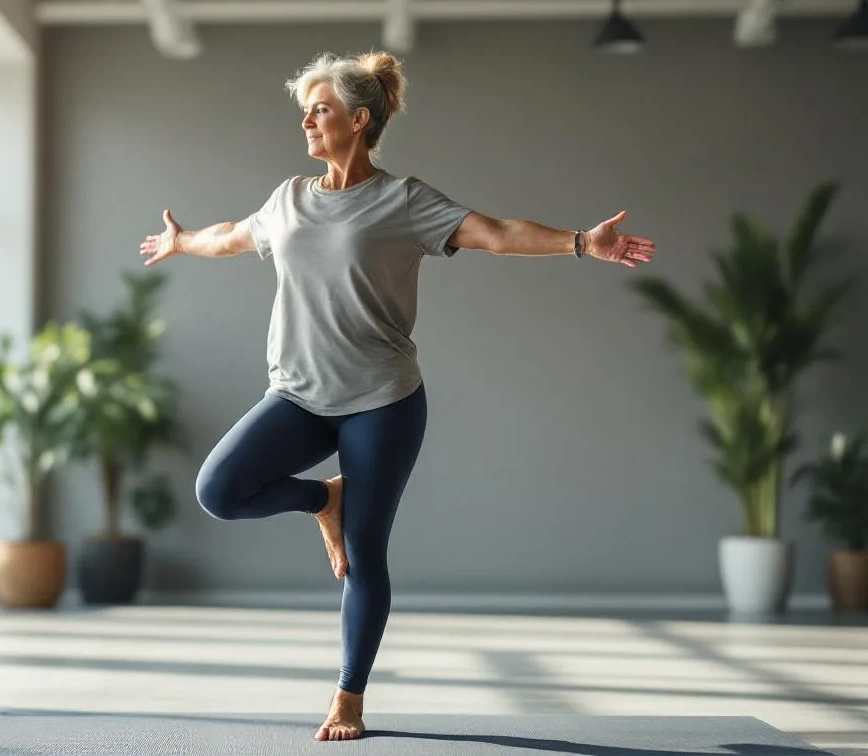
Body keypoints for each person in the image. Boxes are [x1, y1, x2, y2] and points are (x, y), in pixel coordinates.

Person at [137, 50, 655, 742]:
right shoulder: (287, 199)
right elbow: (231, 236)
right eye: (305, 111)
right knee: (221, 489)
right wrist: (182, 241)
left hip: (382, 401)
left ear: (359, 119)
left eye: (318, 109)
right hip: (298, 395)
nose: (306, 121)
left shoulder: (405, 201)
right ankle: (325, 497)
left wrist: (582, 244)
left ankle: (348, 697)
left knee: (366, 554)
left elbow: (495, 235)